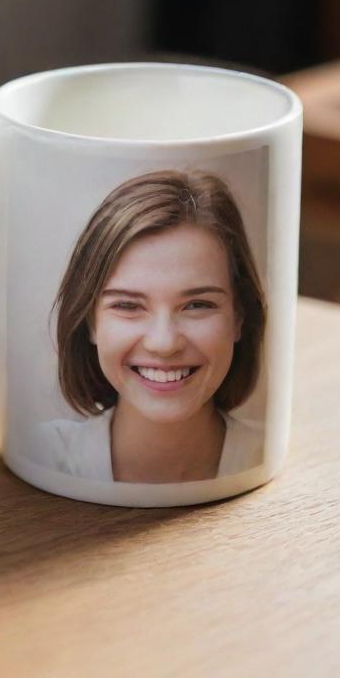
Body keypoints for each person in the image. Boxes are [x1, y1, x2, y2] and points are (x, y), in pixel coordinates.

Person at [41, 170, 266, 484]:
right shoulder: (46, 456)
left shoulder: (265, 454)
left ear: (239, 318)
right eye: (128, 306)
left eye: (197, 305)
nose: (164, 343)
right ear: (90, 322)